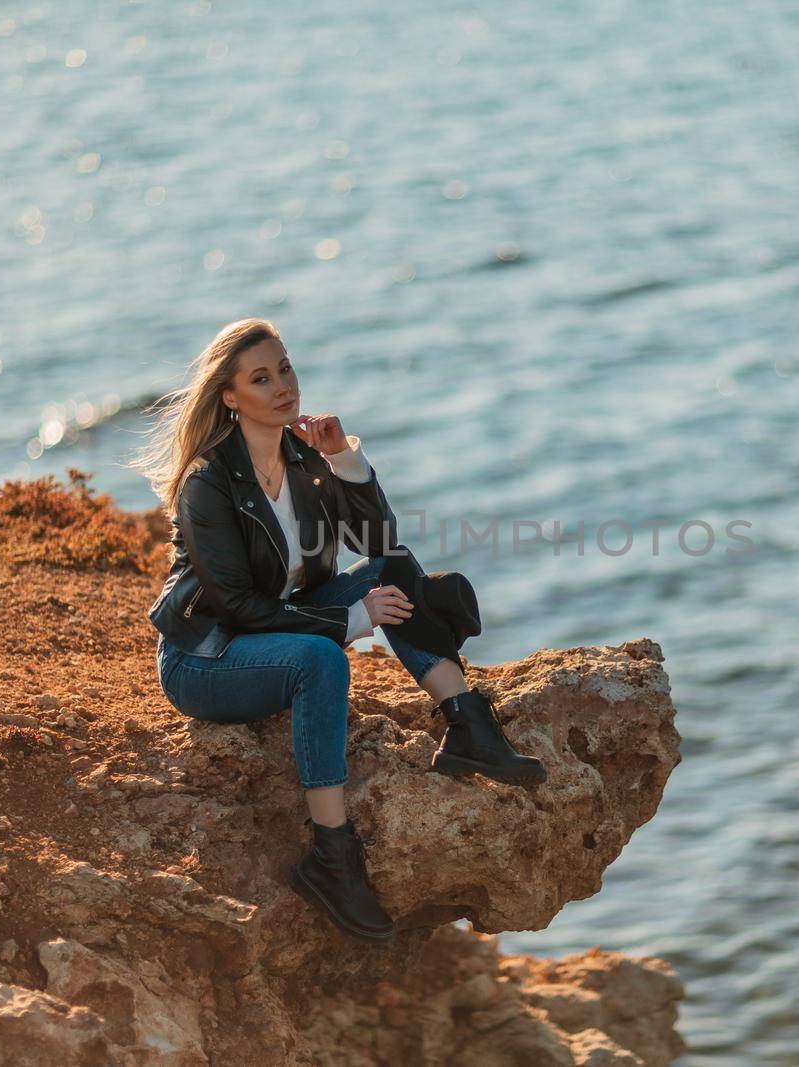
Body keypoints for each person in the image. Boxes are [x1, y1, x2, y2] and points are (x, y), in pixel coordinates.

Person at [128, 317, 547, 943]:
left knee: (390, 570)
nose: (282, 386)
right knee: (322, 662)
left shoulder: (302, 458)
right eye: (261, 378)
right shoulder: (208, 485)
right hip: (208, 659)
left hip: (280, 629)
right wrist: (350, 620)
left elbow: (378, 542)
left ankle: (467, 724)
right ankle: (333, 857)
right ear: (230, 397)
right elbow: (238, 605)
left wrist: (344, 458)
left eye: (286, 369)